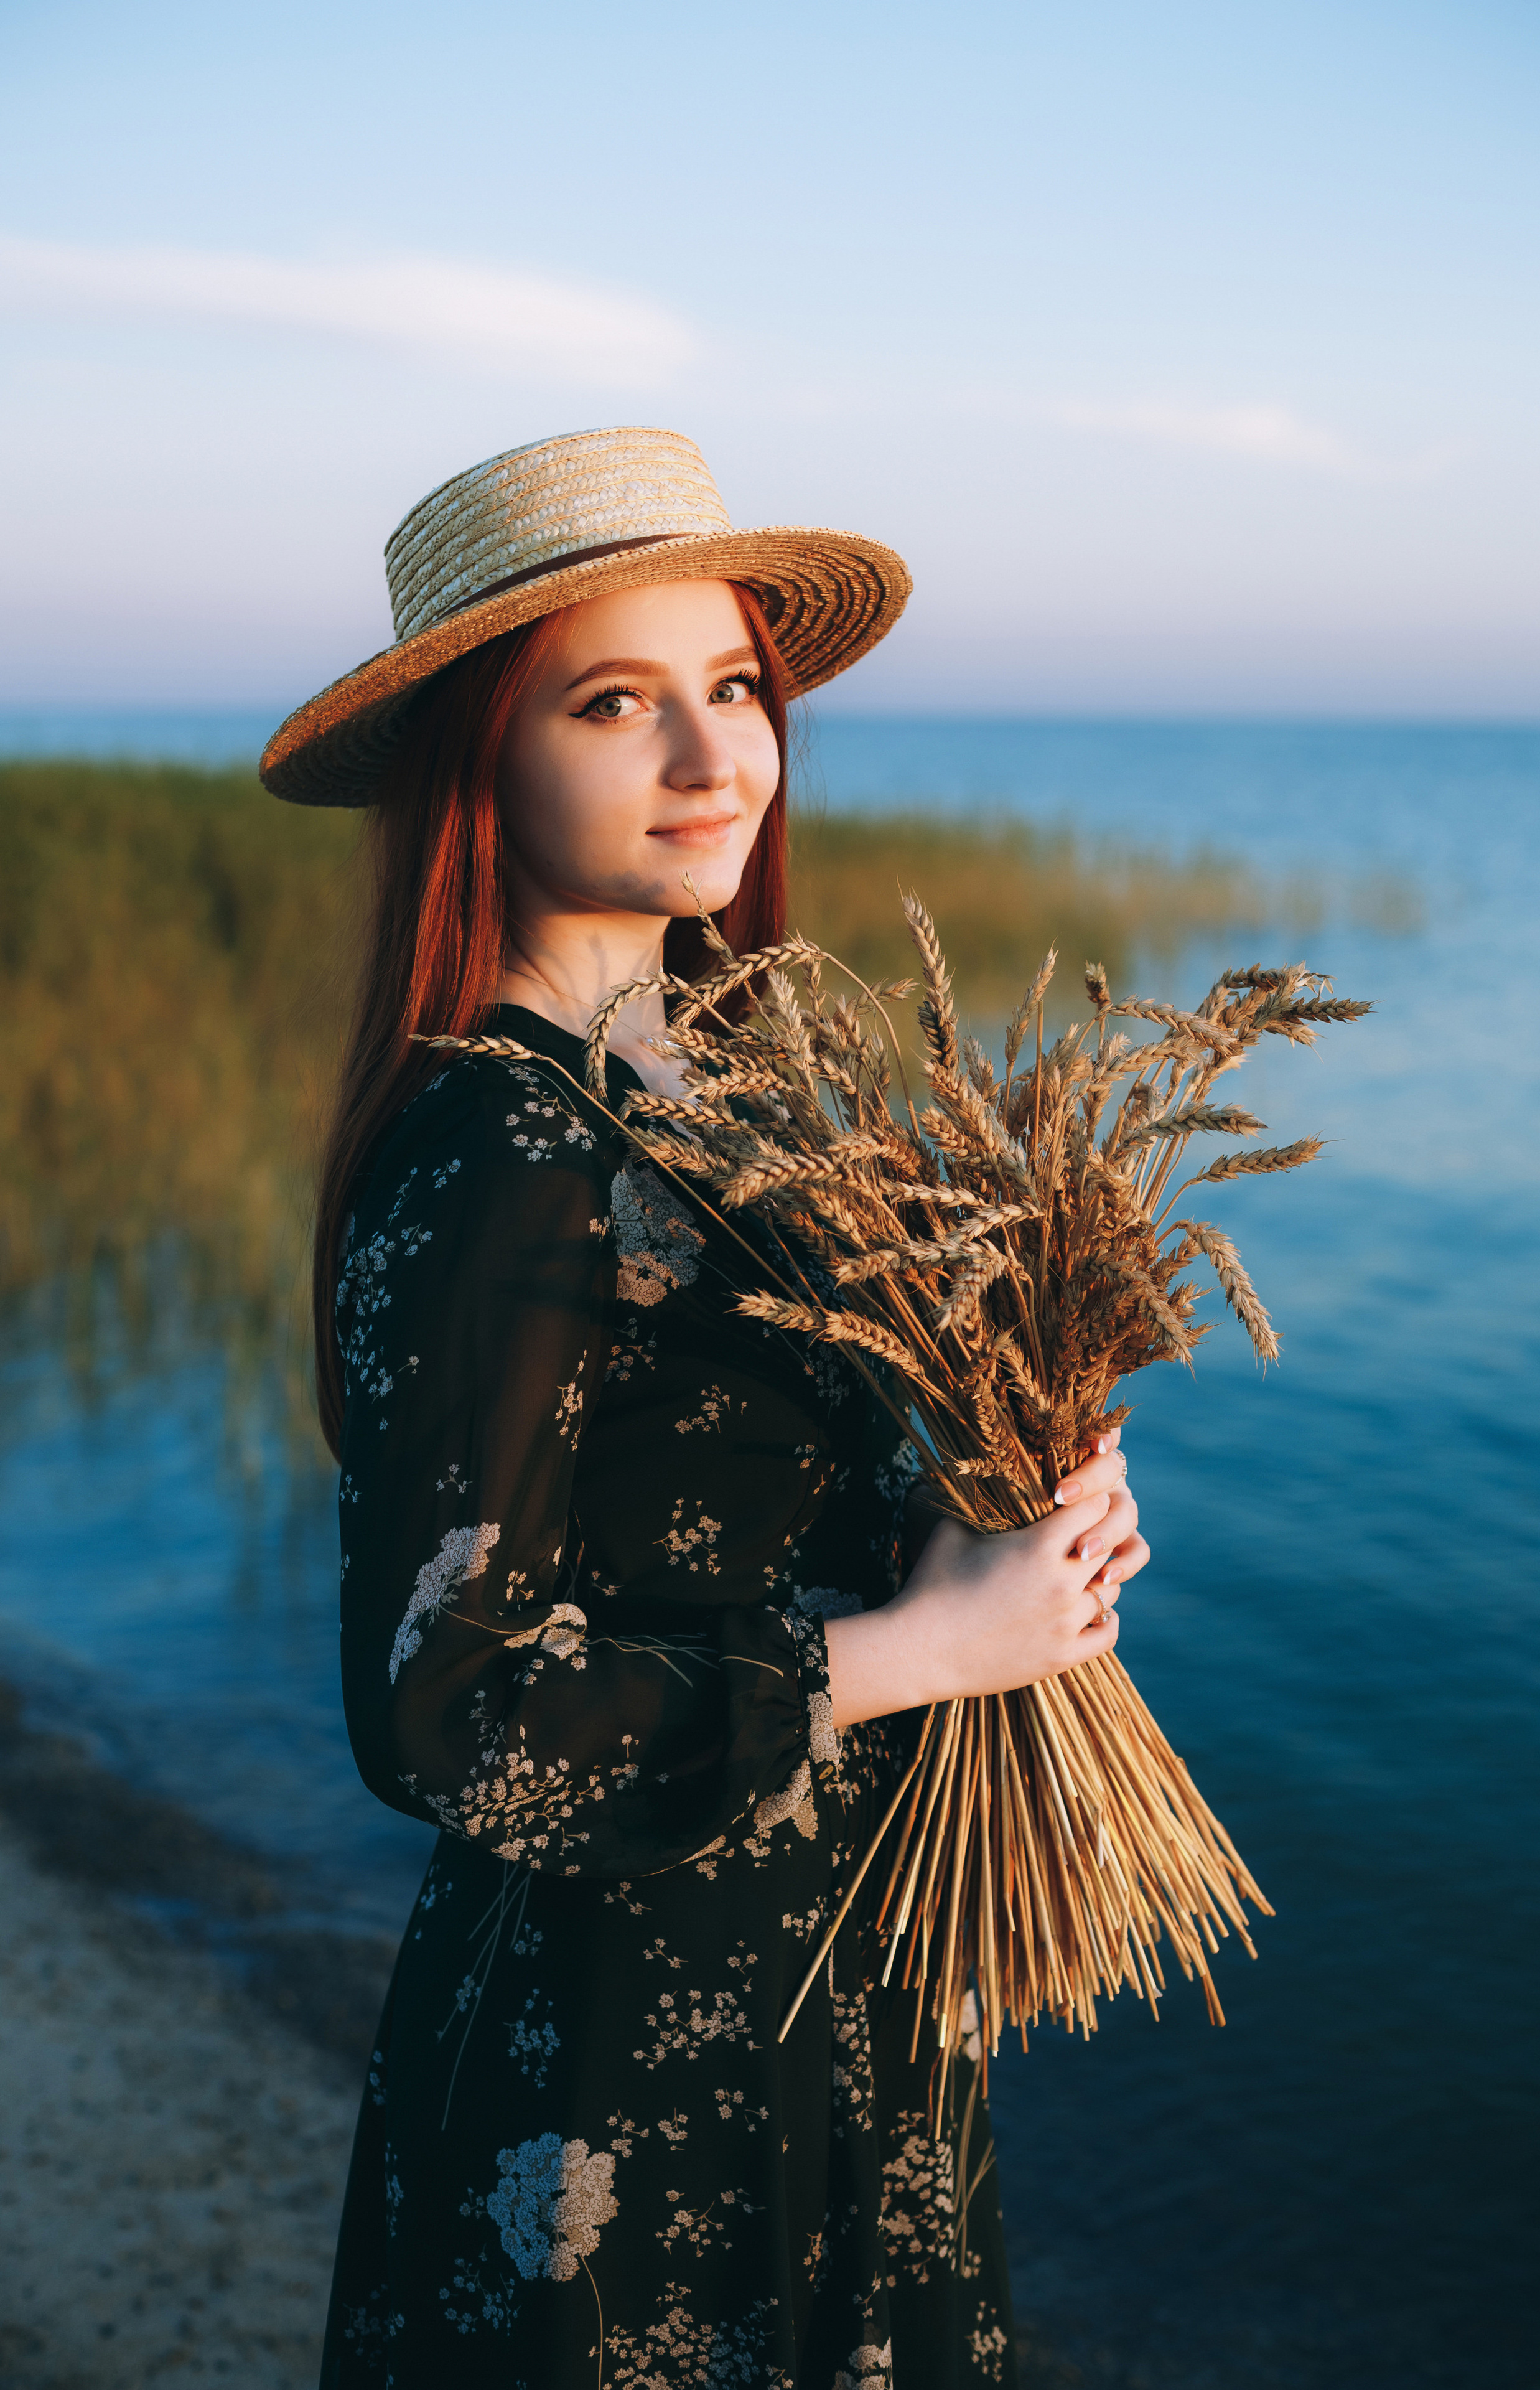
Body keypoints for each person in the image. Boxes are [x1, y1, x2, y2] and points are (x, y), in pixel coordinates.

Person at [262, 427, 1147, 2389]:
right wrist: (917, 1649)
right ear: (477, 755)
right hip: (635, 2060)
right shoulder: (499, 1143)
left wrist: (1011, 1530)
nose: (713, 759)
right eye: (615, 704)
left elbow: (742, 1514)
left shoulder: (716, 1095)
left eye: (735, 689)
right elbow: (445, 1710)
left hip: (833, 1987)